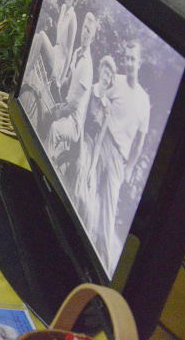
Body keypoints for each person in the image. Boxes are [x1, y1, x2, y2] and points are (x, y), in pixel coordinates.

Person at [90, 39, 151, 272]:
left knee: (108, 211)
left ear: (140, 62)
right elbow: (100, 91)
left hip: (119, 157)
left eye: (133, 59)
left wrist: (130, 168)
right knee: (88, 193)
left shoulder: (144, 101)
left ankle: (103, 266)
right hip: (103, 142)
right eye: (127, 58)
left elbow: (140, 142)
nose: (129, 63)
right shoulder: (118, 82)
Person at [45, 11, 97, 182]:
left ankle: (45, 172)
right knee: (46, 114)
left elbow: (75, 104)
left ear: (93, 37)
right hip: (66, 107)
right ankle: (47, 155)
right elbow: (68, 80)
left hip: (74, 121)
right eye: (84, 28)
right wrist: (58, 82)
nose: (85, 32)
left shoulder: (88, 67)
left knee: (54, 128)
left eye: (89, 31)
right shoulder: (76, 53)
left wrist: (60, 112)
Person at [73, 54, 116, 235]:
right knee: (79, 178)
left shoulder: (108, 108)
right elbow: (81, 121)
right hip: (80, 138)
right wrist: (81, 150)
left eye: (109, 75)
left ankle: (81, 233)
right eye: (104, 72)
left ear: (111, 79)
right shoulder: (91, 90)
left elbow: (99, 142)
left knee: (90, 192)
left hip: (93, 150)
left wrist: (92, 168)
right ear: (99, 71)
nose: (105, 77)